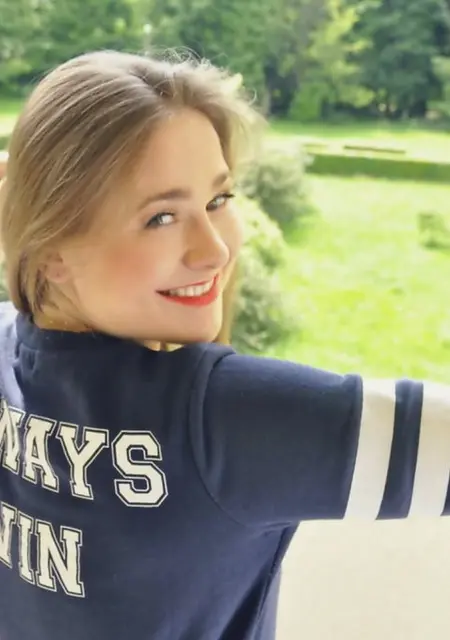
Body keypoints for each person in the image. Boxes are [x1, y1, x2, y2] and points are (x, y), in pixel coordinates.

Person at [0, 50, 448, 640]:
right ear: (52, 251)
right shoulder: (219, 420)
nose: (214, 251)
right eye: (161, 217)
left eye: (218, 201)